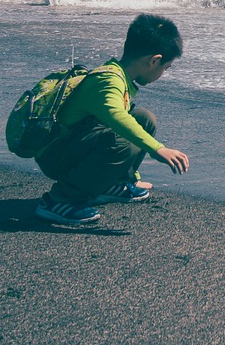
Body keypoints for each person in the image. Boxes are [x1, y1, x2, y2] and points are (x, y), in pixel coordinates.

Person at [34, 13, 190, 224]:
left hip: (75, 147)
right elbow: (117, 118)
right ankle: (61, 199)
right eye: (165, 68)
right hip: (56, 156)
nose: (163, 73)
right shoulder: (109, 81)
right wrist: (158, 149)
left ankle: (111, 183)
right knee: (122, 142)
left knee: (144, 118)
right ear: (155, 61)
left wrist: (131, 176)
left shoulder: (119, 76)